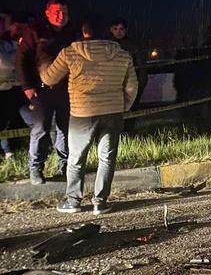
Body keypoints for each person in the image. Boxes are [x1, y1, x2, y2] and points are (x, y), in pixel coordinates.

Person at [39, 16, 137, 214]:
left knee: (76, 157)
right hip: (113, 112)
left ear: (84, 32)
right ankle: (100, 202)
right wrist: (123, 106)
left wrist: (41, 63)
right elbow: (132, 86)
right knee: (107, 158)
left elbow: (49, 77)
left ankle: (73, 201)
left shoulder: (70, 53)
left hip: (82, 113)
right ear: (107, 32)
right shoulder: (122, 55)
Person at [17, 0, 76, 184]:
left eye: (64, 12)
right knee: (41, 128)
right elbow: (22, 60)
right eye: (57, 12)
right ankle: (36, 168)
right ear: (48, 13)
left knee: (65, 129)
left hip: (67, 90)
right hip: (40, 91)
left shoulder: (73, 32)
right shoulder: (35, 31)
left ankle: (64, 166)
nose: (61, 16)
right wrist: (27, 87)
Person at [110, 18, 147, 108]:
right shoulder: (108, 45)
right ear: (111, 30)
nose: (118, 32)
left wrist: (141, 84)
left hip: (130, 84)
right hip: (113, 84)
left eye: (121, 29)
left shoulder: (134, 46)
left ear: (126, 30)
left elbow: (141, 66)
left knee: (131, 110)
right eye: (115, 29)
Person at [0, 13, 21, 160]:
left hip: (16, 86)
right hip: (2, 88)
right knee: (2, 122)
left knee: (29, 117)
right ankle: (7, 151)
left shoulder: (11, 41)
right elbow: (6, 63)